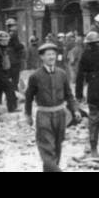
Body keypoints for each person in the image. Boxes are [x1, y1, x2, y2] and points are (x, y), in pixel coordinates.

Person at [24, 39, 78, 172]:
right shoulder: (35, 76)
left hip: (60, 115)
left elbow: (69, 95)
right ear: (42, 57)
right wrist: (28, 115)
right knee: (47, 148)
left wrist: (75, 109)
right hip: (44, 116)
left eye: (53, 54)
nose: (51, 57)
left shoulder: (62, 74)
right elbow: (28, 97)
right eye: (48, 54)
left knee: (57, 147)